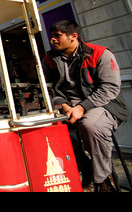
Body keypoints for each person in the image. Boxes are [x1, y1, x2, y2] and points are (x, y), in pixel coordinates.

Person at [42, 20, 128, 192]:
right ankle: (87, 169)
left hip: (105, 105)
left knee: (90, 125)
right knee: (48, 130)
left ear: (74, 36)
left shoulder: (100, 54)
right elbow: (47, 88)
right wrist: (64, 106)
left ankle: (103, 180)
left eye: (57, 36)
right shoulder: (49, 59)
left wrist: (81, 108)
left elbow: (109, 88)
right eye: (52, 36)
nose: (53, 40)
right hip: (68, 107)